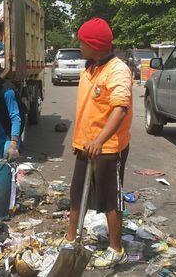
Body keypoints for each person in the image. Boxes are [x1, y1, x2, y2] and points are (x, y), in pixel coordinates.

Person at [62, 18, 133, 269]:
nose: (79, 45)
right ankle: (70, 239)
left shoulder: (118, 70)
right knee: (76, 194)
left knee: (109, 199)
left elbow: (120, 109)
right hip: (86, 145)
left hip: (108, 148)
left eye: (82, 42)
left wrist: (99, 140)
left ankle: (116, 250)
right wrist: (80, 140)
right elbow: (87, 110)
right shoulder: (89, 69)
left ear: (95, 45)